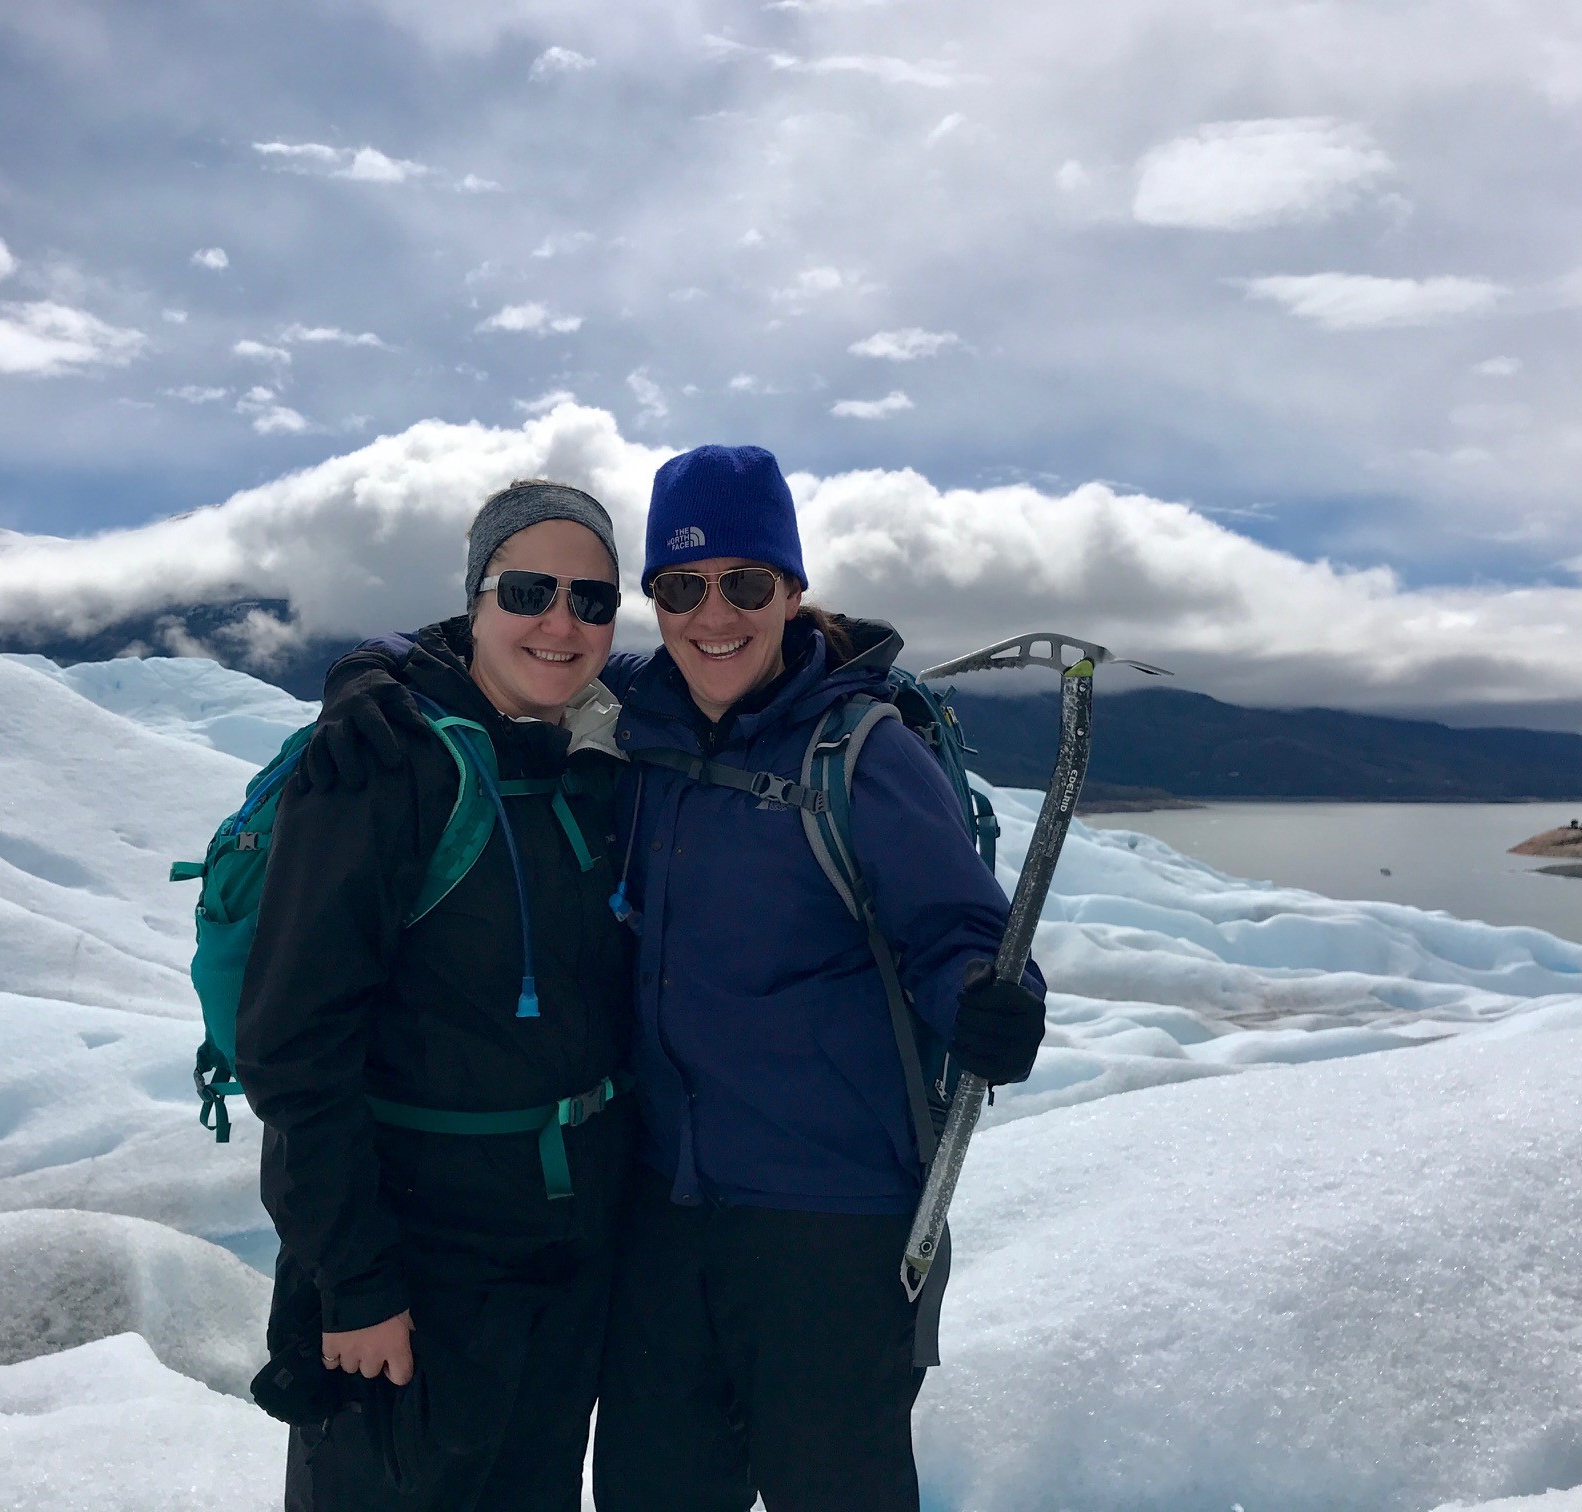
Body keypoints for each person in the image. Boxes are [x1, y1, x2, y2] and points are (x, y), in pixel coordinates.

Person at [305, 446, 1049, 1511]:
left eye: (746, 583)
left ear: (793, 593)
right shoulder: (630, 717)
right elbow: (509, 646)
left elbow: (955, 935)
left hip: (827, 1225)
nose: (715, 614)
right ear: (654, 601)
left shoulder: (863, 752)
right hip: (660, 1218)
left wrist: (988, 998)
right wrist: (372, 667)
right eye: (681, 587)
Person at [236, 481, 637, 1512]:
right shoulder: (384, 762)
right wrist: (356, 1282)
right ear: (477, 601)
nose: (562, 622)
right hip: (419, 1266)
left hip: (564, 1254)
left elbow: (738, 670)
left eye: (592, 601)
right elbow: (292, 1045)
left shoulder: (588, 759)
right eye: (530, 590)